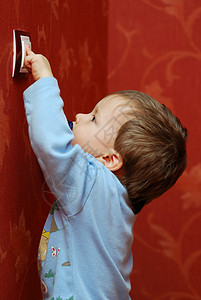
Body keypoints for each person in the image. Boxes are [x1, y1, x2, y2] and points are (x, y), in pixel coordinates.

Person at [23, 47, 187, 300]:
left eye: (93, 119)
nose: (79, 116)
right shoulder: (116, 200)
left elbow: (52, 145)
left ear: (108, 160)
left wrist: (44, 80)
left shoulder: (92, 185)